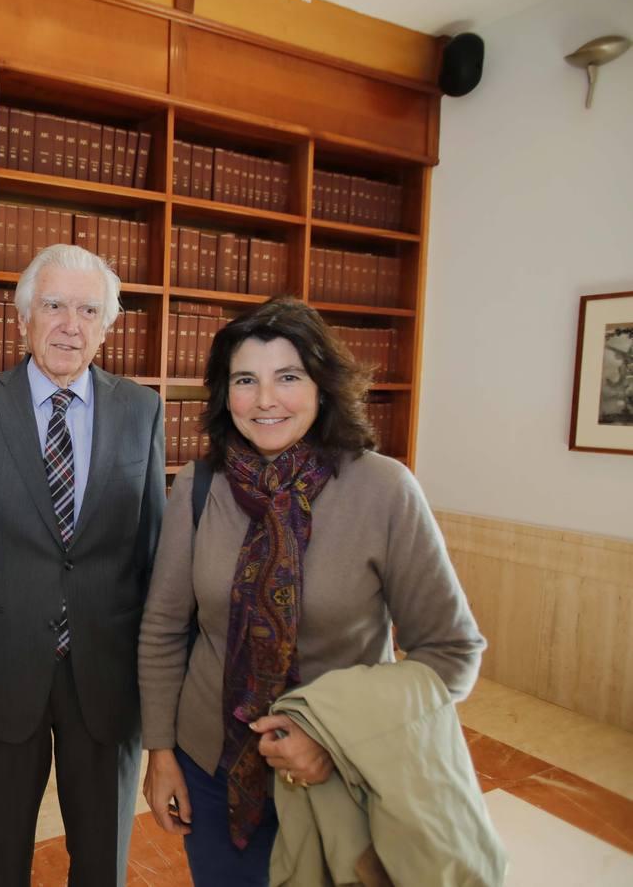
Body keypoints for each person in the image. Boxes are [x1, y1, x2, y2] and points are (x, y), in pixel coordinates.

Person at [137, 296, 486, 886]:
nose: (266, 400)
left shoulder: (384, 489)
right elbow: (163, 630)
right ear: (225, 394)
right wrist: (162, 753)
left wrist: (328, 735)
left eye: (288, 377)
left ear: (323, 386)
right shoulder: (199, 487)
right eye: (246, 380)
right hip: (211, 773)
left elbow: (452, 654)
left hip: (343, 777)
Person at [0, 243, 166, 886]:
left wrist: (160, 700)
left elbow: (154, 564)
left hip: (109, 683)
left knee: (101, 861)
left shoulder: (142, 410)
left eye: (89, 310)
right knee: (2, 860)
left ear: (108, 325)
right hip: (1, 679)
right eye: (53, 305)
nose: (70, 324)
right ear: (23, 317)